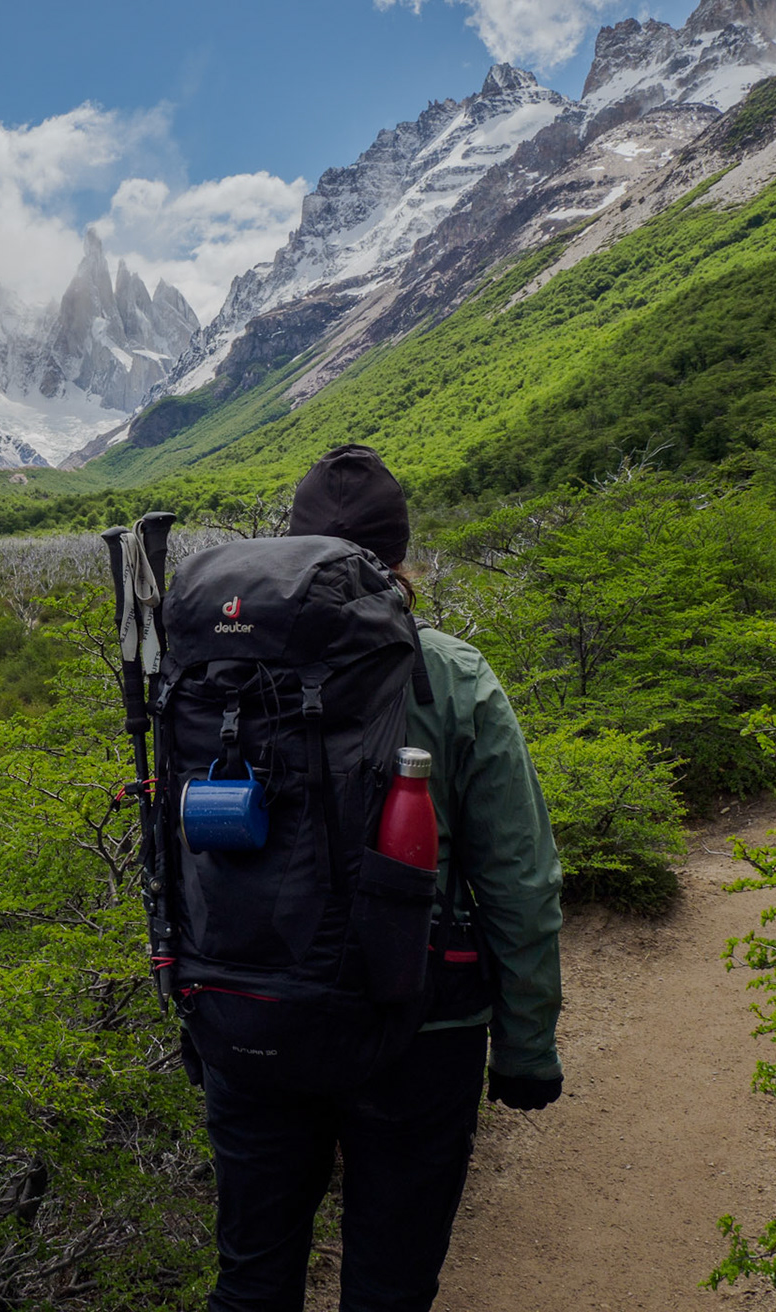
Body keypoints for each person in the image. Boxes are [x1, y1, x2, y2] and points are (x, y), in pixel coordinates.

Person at [199, 444, 564, 1312]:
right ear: (401, 558)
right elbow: (519, 878)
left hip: (248, 1005)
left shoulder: (215, 668)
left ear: (289, 550)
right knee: (389, 1287)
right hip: (418, 1020)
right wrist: (524, 1048)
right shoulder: (451, 672)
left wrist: (196, 1010)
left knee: (251, 1280)